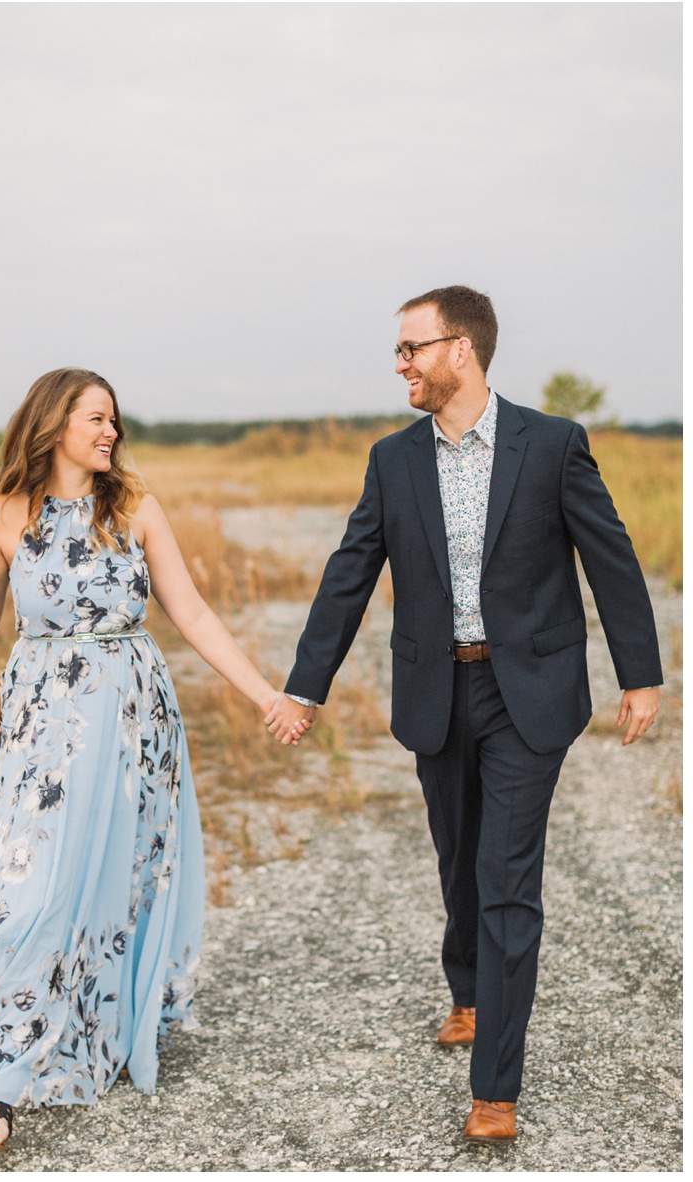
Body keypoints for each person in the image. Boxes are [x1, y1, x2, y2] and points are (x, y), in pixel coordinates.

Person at [265, 286, 662, 1144]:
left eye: (412, 348)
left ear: (461, 351)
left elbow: (612, 556)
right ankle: (470, 993)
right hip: (437, 692)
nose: (400, 363)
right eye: (400, 350)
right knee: (459, 861)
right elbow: (350, 572)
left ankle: (496, 1090)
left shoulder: (552, 444)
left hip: (531, 695)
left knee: (508, 881)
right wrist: (305, 686)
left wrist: (642, 674)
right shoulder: (393, 459)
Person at [0, 368, 308, 1151]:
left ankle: (96, 1035)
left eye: (114, 421)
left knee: (117, 881)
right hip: (42, 725)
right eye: (96, 419)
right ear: (53, 424)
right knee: (22, 891)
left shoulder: (134, 508)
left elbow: (193, 612)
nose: (111, 433)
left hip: (134, 719)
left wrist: (264, 694)